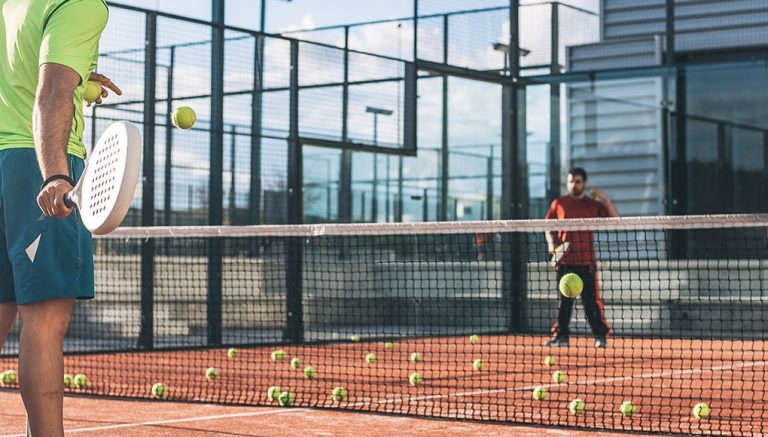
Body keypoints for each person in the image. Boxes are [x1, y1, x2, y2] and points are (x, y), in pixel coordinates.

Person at [0, 1, 119, 435]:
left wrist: (77, 79)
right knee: (46, 320)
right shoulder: (81, 4)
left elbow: (19, 75)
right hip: (38, 165)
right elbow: (50, 91)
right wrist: (54, 172)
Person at [544, 168, 618, 348]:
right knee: (564, 303)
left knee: (591, 302)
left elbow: (614, 219)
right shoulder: (559, 203)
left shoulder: (592, 204)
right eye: (571, 181)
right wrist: (551, 245)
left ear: (583, 183)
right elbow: (548, 226)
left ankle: (600, 336)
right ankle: (561, 337)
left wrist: (605, 199)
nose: (573, 185)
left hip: (586, 262)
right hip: (565, 261)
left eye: (577, 181)